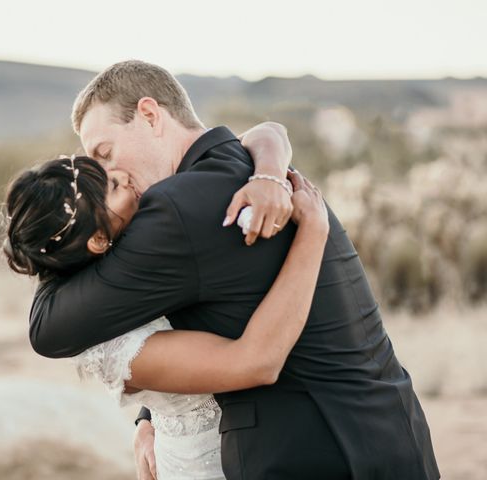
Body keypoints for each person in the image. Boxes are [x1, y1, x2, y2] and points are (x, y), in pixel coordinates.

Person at [28, 60, 440, 480]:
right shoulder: (243, 167)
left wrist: (39, 249)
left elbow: (48, 330)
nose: (109, 174)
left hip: (315, 452)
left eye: (106, 153)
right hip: (394, 430)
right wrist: (151, 413)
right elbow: (210, 298)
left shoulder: (176, 206)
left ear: (150, 115)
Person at [2, 153, 328, 479]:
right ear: (98, 240)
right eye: (114, 186)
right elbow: (257, 361)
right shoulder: (112, 346)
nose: (124, 175)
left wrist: (269, 166)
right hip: (211, 466)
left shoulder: (127, 271)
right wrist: (313, 232)